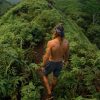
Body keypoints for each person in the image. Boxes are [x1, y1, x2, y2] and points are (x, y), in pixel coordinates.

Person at [41, 23, 69, 100]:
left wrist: (43, 65)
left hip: (51, 62)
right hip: (60, 63)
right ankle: (52, 88)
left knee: (44, 75)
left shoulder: (51, 42)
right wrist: (65, 62)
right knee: (55, 78)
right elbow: (67, 55)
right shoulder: (66, 43)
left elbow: (46, 56)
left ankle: (49, 93)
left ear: (55, 32)